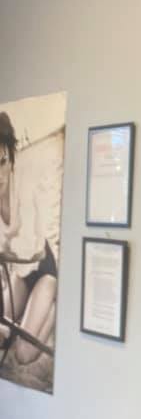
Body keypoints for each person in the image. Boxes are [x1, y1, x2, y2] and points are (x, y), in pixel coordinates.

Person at [0, 110, 57, 365]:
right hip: (20, 273)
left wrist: (6, 250)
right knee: (3, 335)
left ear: (11, 158)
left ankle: (55, 308)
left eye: (1, 162)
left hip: (42, 270)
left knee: (23, 354)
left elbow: (33, 251)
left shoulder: (25, 185)